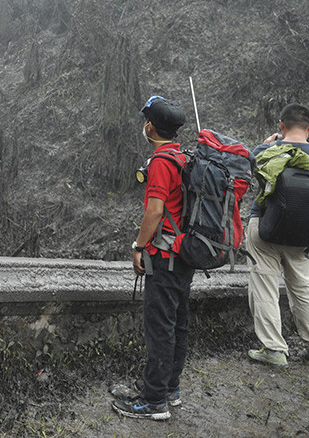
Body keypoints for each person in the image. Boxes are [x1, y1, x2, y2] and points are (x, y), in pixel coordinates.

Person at [112, 95, 190, 421]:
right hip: (185, 253)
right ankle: (168, 388)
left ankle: (153, 401)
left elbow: (155, 211)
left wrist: (138, 246)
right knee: (178, 324)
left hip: (164, 255)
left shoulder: (160, 162)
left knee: (160, 327)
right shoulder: (185, 158)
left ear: (150, 127)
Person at [246, 103, 309, 367]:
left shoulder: (266, 151)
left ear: (281, 126)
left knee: (264, 285)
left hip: (264, 226)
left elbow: (253, 173)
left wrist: (265, 145)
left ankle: (274, 349)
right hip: (304, 231)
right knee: (303, 287)